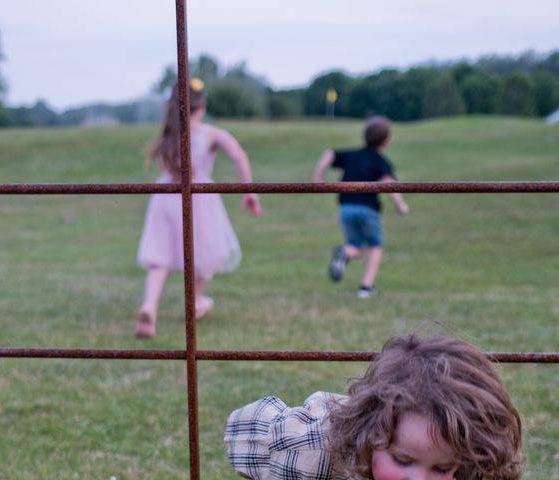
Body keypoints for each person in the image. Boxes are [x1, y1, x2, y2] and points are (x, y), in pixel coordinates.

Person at [224, 334, 523, 480]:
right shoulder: (309, 451)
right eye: (403, 460)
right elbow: (242, 429)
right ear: (371, 433)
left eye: (441, 468)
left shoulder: (471, 465)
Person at [135, 78, 261, 338]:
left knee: (159, 258)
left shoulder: (170, 132)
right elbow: (239, 155)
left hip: (166, 195)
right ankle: (195, 301)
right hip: (197, 197)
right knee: (201, 253)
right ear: (201, 106)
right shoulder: (211, 133)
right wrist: (249, 189)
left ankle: (150, 306)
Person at [313, 116, 409, 299]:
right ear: (387, 141)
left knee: (355, 246)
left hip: (346, 208)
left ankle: (344, 252)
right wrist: (401, 205)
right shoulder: (380, 161)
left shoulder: (352, 155)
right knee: (375, 246)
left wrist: (318, 178)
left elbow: (329, 154)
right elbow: (389, 184)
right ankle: (366, 287)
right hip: (368, 209)